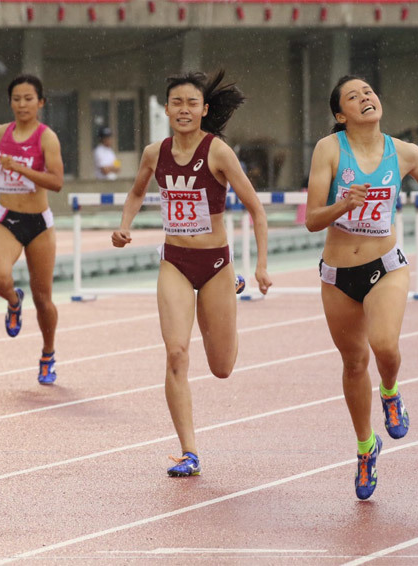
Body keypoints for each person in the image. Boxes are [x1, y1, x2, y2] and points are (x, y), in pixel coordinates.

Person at [305, 76, 418, 500]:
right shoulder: (329, 150)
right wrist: (343, 204)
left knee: (384, 345)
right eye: (353, 97)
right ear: (341, 115)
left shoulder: (406, 152)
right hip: (337, 276)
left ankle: (390, 391)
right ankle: (365, 447)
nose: (366, 98)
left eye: (370, 91)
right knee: (354, 365)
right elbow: (312, 219)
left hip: (385, 266)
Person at [111, 70, 272, 477]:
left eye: (192, 103)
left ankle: (229, 299)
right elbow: (135, 192)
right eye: (177, 103)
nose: (184, 110)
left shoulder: (217, 152)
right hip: (176, 263)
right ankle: (189, 451)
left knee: (221, 367)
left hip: (216, 265)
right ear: (166, 108)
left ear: (203, 110)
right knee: (177, 353)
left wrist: (261, 265)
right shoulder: (154, 153)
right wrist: (125, 224)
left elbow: (256, 209)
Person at [0, 74, 64, 384]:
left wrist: (22, 167)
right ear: (10, 102)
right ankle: (12, 300)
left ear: (40, 103)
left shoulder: (46, 137)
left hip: (38, 223)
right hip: (6, 217)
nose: (22, 104)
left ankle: (48, 354)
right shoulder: (1, 132)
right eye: (17, 98)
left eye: (28, 99)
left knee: (44, 298)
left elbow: (57, 182)